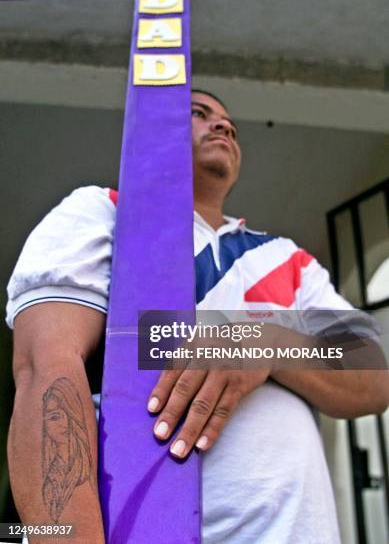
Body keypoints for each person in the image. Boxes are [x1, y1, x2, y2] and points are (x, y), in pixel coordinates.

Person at [5, 91, 388, 543]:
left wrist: (264, 342)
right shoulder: (103, 211)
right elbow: (46, 373)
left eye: (230, 123)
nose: (223, 127)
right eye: (199, 114)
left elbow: (373, 375)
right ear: (154, 131)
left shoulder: (288, 258)